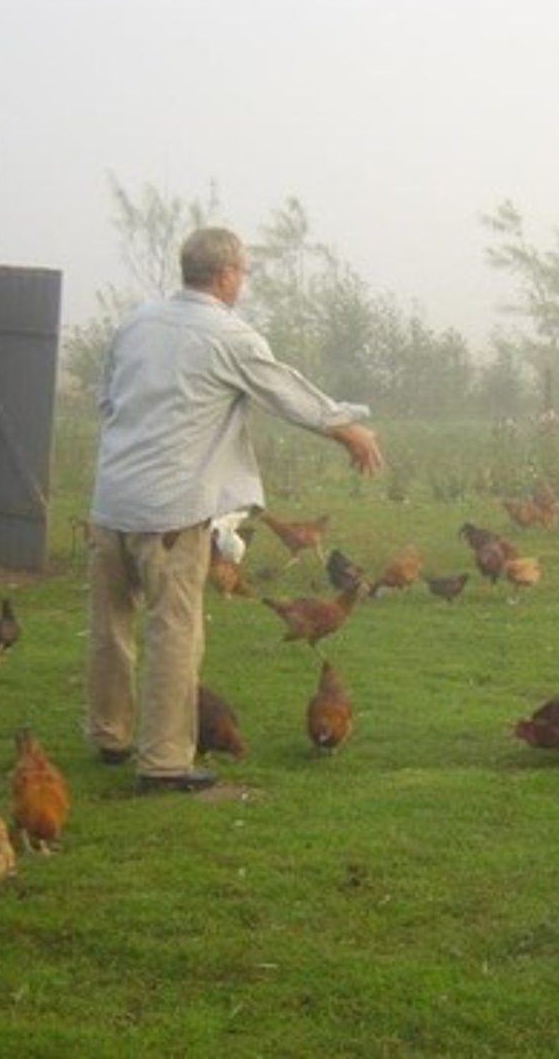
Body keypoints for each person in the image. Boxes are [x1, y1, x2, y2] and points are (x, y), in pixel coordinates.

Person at [84, 227, 382, 792]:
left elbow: (107, 401)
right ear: (224, 275)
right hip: (170, 512)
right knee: (174, 629)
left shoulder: (135, 323)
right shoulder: (227, 335)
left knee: (109, 625)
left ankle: (109, 735)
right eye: (242, 272)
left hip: (111, 500)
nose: (242, 281)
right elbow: (287, 393)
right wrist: (350, 432)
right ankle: (166, 761)